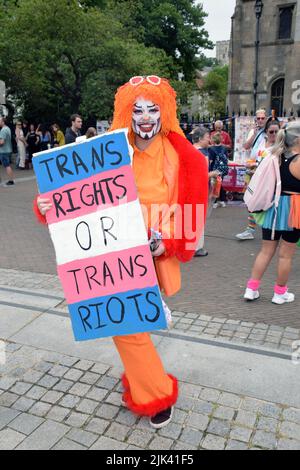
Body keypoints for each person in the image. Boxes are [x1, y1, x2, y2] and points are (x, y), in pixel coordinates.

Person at [33, 76, 208, 428]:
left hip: (153, 251)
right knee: (126, 325)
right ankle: (150, 387)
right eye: (137, 109)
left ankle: (152, 392)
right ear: (126, 113)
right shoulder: (108, 150)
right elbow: (75, 193)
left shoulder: (182, 156)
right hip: (110, 252)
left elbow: (191, 212)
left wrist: (165, 243)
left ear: (165, 112)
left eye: (153, 109)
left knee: (128, 324)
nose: (145, 117)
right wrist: (46, 204)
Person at [244, 122, 300, 304]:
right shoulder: (298, 160)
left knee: (266, 251)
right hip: (294, 208)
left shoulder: (275, 156)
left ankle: (251, 289)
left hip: (273, 208)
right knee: (286, 254)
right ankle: (279, 293)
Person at [236, 110, 269, 240]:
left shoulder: (270, 131)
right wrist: (254, 134)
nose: (260, 120)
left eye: (262, 118)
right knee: (250, 199)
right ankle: (250, 229)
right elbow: (246, 146)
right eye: (258, 118)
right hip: (251, 170)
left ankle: (270, 228)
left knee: (267, 200)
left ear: (266, 118)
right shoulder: (253, 131)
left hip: (264, 170)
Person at [192, 126, 219, 257]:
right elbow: (202, 175)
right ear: (201, 138)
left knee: (188, 216)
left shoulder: (189, 150)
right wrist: (213, 173)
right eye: (208, 137)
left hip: (189, 189)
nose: (209, 140)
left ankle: (187, 245)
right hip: (200, 189)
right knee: (198, 218)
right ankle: (197, 247)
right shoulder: (203, 153)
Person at [209, 132, 229, 209]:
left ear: (213, 140)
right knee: (220, 184)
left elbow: (210, 160)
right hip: (222, 169)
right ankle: (222, 200)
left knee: (215, 185)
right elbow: (226, 158)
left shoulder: (211, 149)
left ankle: (215, 201)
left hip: (214, 170)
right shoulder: (224, 148)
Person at [0, 116, 15, 185]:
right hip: (8, 150)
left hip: (3, 151)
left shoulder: (3, 130)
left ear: (2, 122)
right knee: (7, 165)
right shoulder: (8, 128)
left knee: (7, 165)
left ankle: (11, 180)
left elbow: (2, 142)